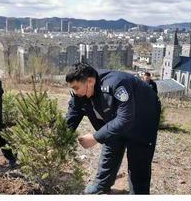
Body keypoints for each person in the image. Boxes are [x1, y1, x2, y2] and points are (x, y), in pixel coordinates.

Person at [65, 62, 161, 194]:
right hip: (117, 118)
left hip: (143, 117)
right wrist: (59, 141)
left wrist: (95, 137)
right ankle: (101, 186)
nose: (75, 92)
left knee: (138, 161)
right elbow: (72, 116)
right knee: (111, 143)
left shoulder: (117, 84)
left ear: (90, 81)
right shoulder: (80, 94)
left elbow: (125, 119)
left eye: (76, 88)